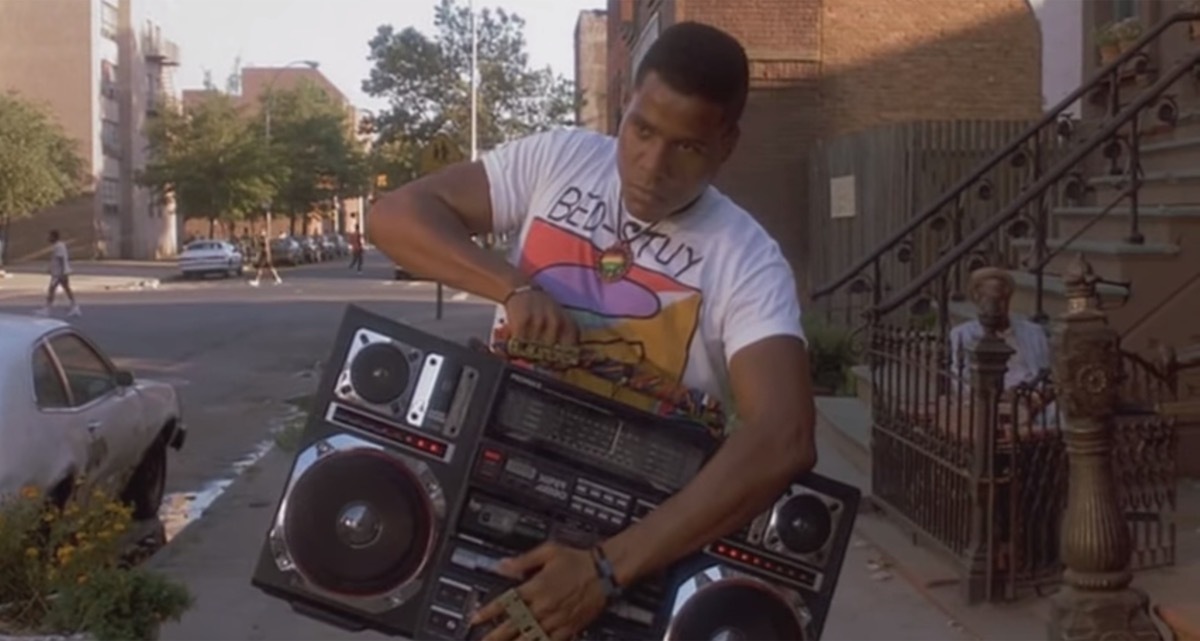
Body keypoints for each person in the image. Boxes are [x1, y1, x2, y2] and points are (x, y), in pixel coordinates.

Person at [368, 21, 817, 641]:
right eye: (642, 130)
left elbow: (784, 435)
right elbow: (394, 216)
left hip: (631, 547)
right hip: (492, 498)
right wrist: (514, 287)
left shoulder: (746, 257)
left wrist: (607, 570)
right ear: (625, 106)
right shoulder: (559, 160)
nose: (650, 165)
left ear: (727, 145)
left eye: (686, 147)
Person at [949, 267, 1055, 420]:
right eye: (988, 299)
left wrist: (1033, 396)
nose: (995, 306)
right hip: (991, 402)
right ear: (977, 300)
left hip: (1032, 397)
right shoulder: (962, 334)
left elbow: (1046, 374)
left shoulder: (1033, 332)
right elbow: (960, 382)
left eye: (1000, 299)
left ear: (1008, 299)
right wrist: (1002, 396)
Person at [35, 230, 81, 317]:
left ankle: (47, 309)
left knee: (51, 290)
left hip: (59, 273)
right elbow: (56, 260)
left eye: (49, 236)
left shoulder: (58, 246)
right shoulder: (58, 246)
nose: (48, 238)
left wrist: (62, 272)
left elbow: (61, 259)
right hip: (59, 272)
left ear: (54, 237)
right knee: (66, 289)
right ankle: (75, 307)